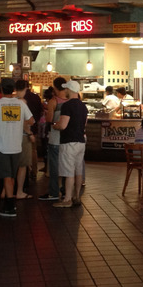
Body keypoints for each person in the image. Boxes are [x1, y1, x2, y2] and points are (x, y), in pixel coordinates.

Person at [0, 78, 34, 217]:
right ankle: (9, 204)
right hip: (16, 145)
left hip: (1, 145)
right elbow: (31, 120)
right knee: (11, 176)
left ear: (1, 89)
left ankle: (9, 207)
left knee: (7, 177)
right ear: (13, 89)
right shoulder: (20, 104)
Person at [51, 80, 87, 208]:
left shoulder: (67, 106)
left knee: (68, 171)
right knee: (78, 171)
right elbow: (85, 124)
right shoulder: (83, 106)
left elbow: (63, 125)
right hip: (80, 142)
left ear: (70, 90)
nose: (65, 91)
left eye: (66, 89)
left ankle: (67, 200)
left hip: (69, 142)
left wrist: (55, 125)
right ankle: (76, 196)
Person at [39, 77, 68, 201]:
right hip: (67, 139)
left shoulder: (53, 101)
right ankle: (66, 190)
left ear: (55, 87)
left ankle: (53, 192)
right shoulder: (71, 100)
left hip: (55, 138)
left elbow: (49, 120)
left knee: (54, 166)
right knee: (66, 166)